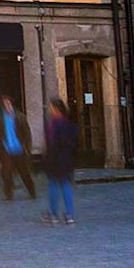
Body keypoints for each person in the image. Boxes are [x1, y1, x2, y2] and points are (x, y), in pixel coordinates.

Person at [40, 96, 80, 225]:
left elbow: (51, 143)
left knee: (53, 185)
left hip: (55, 159)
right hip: (67, 159)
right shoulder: (70, 124)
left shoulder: (52, 124)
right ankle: (69, 215)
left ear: (56, 109)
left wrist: (47, 158)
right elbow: (74, 143)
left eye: (51, 107)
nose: (50, 110)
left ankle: (54, 214)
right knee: (66, 185)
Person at [0, 97, 37, 201]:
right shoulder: (1, 118)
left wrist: (27, 147)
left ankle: (32, 191)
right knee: (7, 174)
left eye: (8, 104)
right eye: (5, 105)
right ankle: (8, 195)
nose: (7, 106)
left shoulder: (19, 117)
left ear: (11, 105)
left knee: (24, 173)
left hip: (19, 149)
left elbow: (27, 133)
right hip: (7, 150)